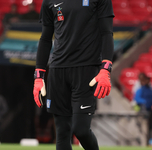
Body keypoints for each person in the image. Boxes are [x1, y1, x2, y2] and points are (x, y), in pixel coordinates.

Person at [33, 0, 114, 149]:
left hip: (86, 71)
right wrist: (39, 76)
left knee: (81, 130)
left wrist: (106, 68)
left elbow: (106, 32)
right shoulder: (49, 2)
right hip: (57, 71)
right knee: (62, 132)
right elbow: (45, 39)